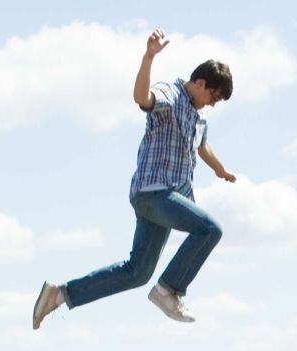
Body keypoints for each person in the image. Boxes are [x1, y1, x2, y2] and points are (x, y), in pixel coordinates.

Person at [33, 28, 236, 329]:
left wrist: (220, 169)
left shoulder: (197, 117)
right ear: (200, 82)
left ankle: (59, 294)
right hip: (155, 192)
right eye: (212, 96)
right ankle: (170, 290)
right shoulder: (174, 94)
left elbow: (202, 145)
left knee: (137, 272)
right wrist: (148, 57)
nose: (211, 103)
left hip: (164, 199)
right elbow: (142, 97)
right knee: (210, 230)